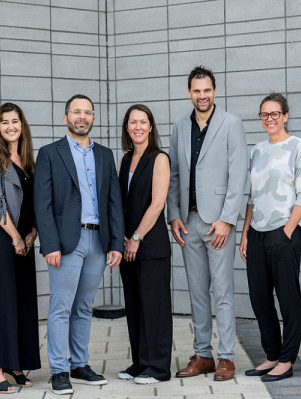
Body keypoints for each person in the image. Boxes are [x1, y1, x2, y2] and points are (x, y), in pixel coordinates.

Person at [33, 94, 125, 395]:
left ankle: (80, 364)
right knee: (61, 307)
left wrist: (116, 244)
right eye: (76, 112)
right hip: (65, 242)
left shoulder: (104, 154)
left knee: (84, 307)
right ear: (65, 117)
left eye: (87, 112)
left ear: (93, 118)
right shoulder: (49, 153)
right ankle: (59, 370)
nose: (81, 117)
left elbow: (114, 201)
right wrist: (50, 245)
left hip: (98, 241)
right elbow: (42, 205)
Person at [167, 66, 248, 381]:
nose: (202, 96)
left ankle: (226, 356)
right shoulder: (178, 127)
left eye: (207, 90)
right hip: (188, 222)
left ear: (215, 91)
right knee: (197, 293)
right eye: (196, 90)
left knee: (223, 291)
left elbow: (238, 174)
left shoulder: (232, 124)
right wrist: (173, 215)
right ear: (189, 93)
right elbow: (173, 174)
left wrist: (228, 220)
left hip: (218, 224)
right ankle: (203, 354)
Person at [239, 92, 301, 382]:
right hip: (256, 233)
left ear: (285, 116)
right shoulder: (257, 150)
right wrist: (245, 233)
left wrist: (288, 229)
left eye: (274, 114)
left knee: (288, 298)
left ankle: (287, 359)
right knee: (259, 298)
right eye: (264, 115)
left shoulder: (299, 147)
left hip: (284, 232)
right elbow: (251, 197)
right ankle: (271, 355)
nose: (269, 119)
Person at [0, 103, 40, 393]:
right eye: (4, 122)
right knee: (1, 303)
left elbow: (35, 201)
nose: (10, 127)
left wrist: (32, 234)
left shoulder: (27, 159)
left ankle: (16, 365)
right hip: (4, 239)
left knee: (23, 301)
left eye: (15, 121)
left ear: (22, 125)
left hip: (25, 240)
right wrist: (16, 237)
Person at [117, 104, 172, 385]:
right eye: (132, 122)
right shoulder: (126, 159)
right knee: (135, 306)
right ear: (127, 127)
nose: (138, 127)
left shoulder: (159, 158)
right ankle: (140, 362)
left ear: (151, 126)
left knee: (155, 307)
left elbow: (157, 203)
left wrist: (137, 237)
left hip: (150, 246)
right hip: (128, 246)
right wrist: (124, 239)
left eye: (143, 122)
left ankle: (158, 367)